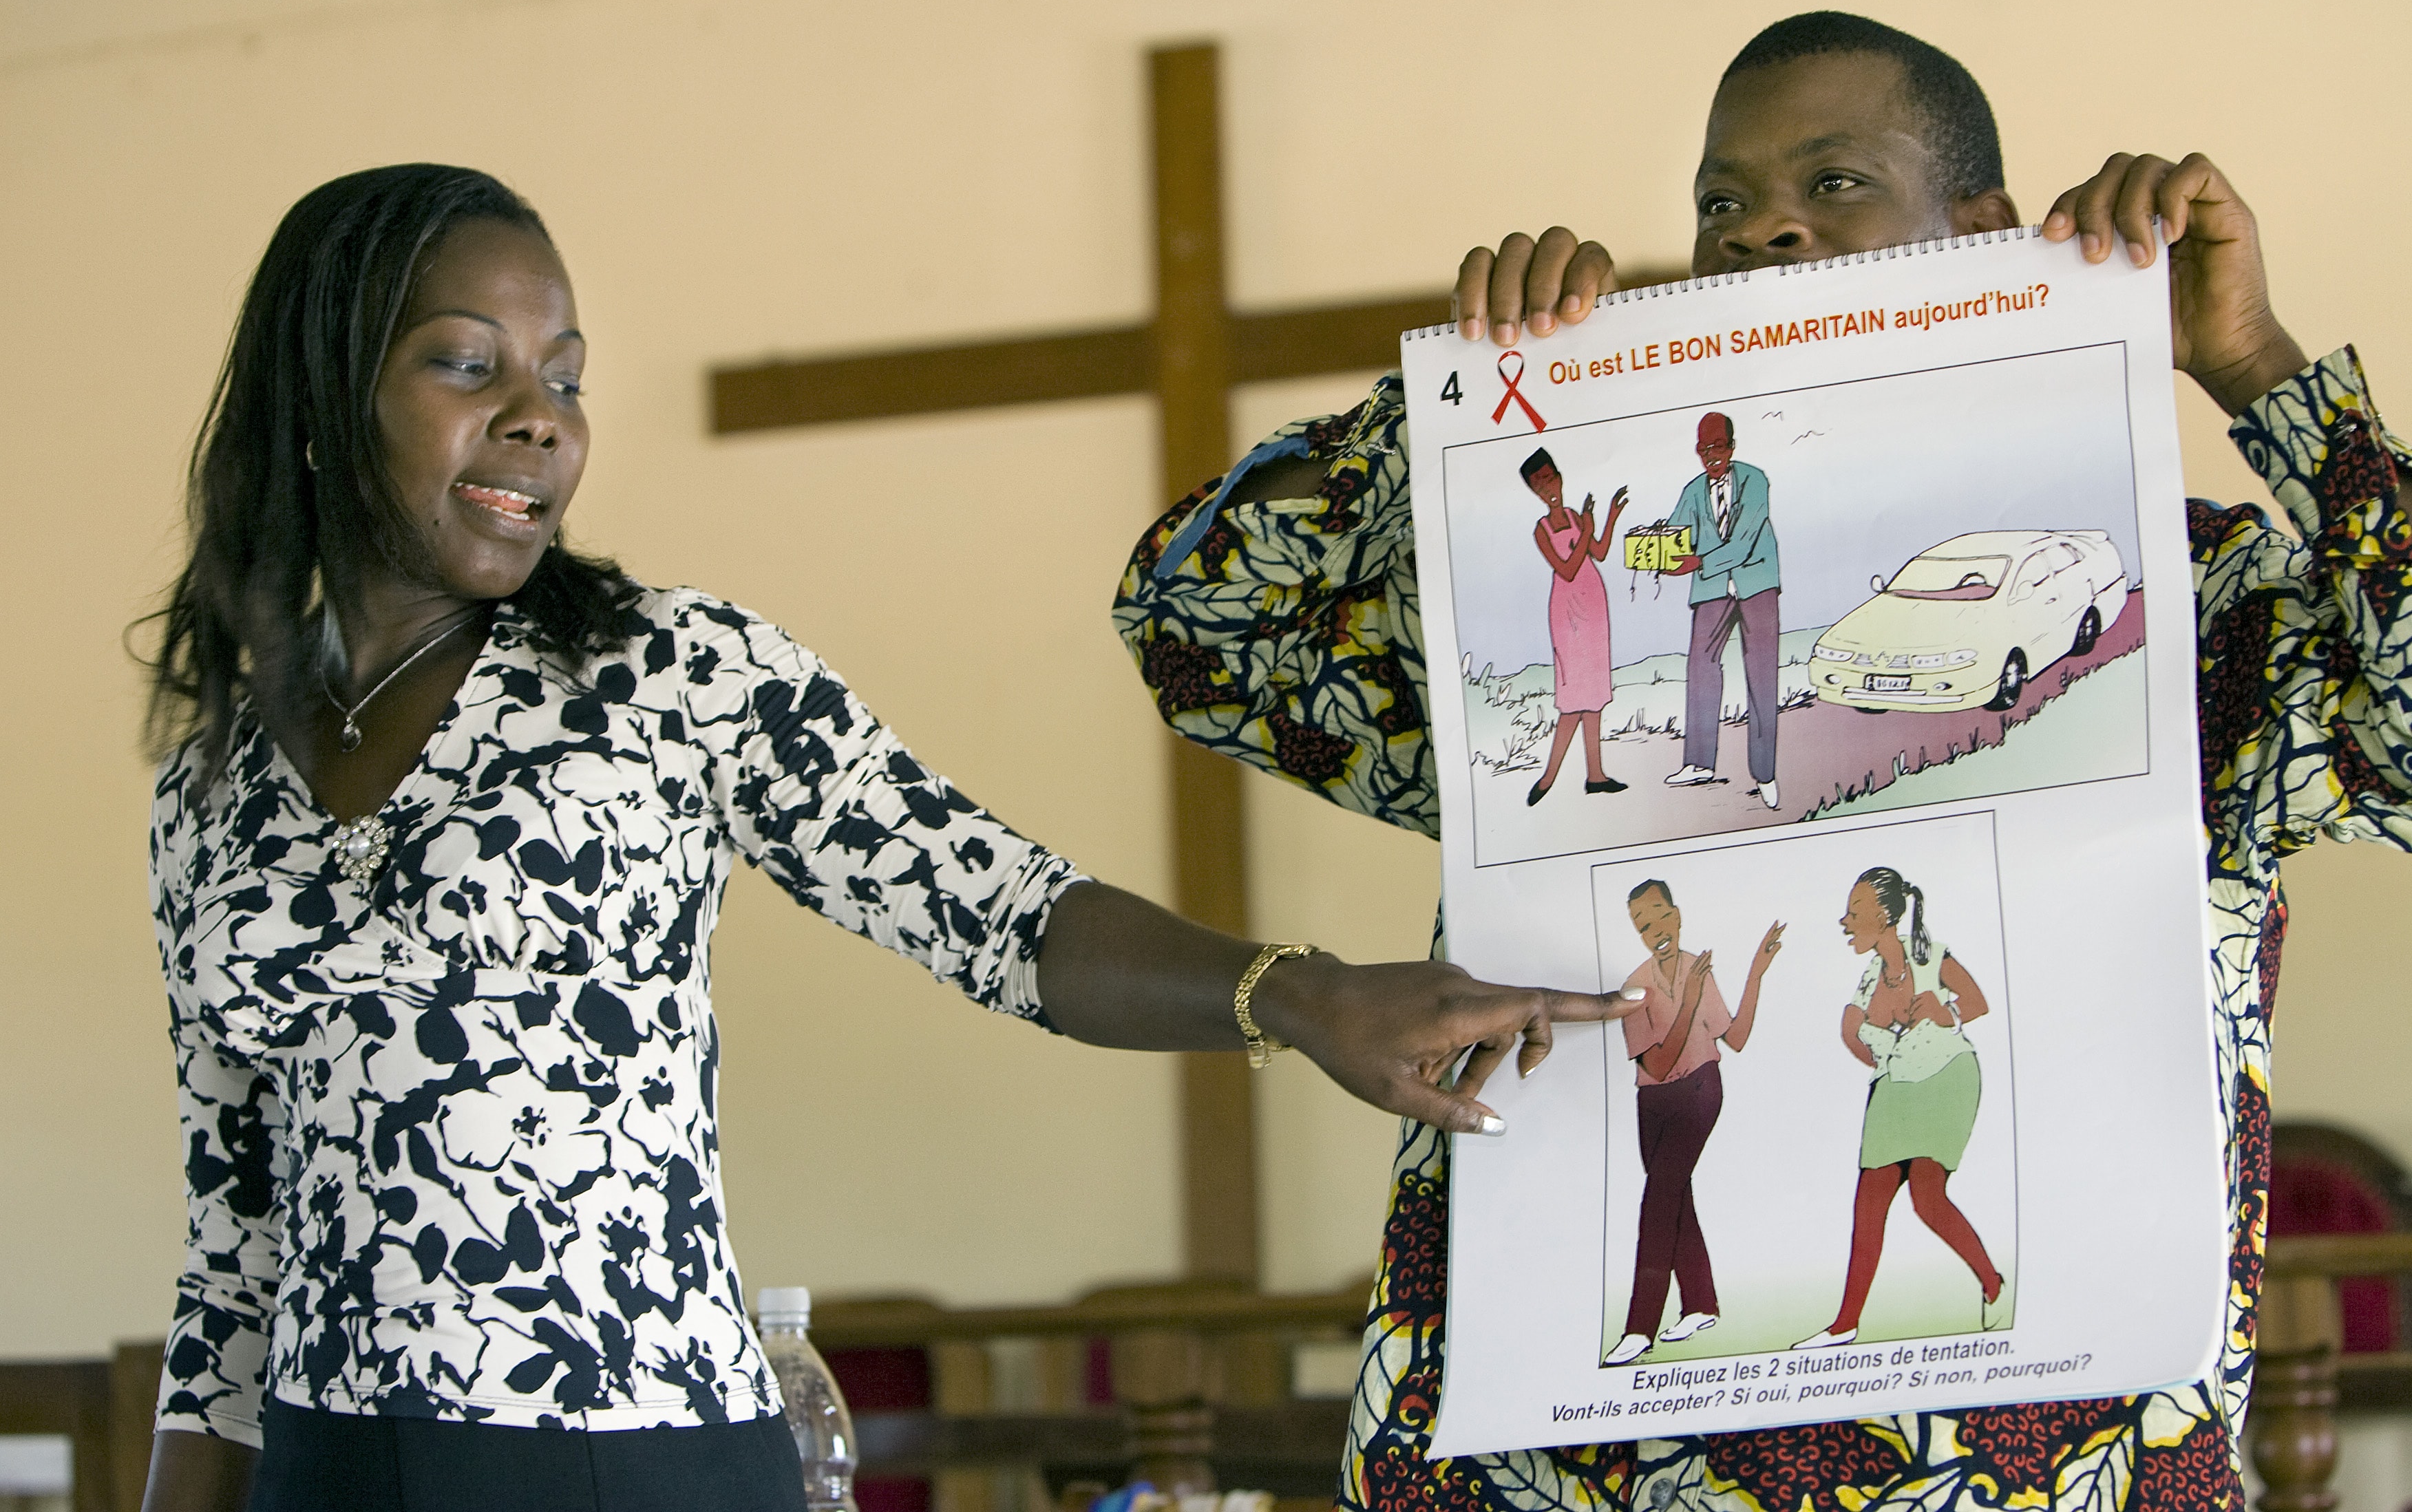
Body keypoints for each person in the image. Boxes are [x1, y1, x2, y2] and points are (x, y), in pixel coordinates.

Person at [136, 164, 1642, 1512]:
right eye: (469, 365)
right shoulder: (211, 784)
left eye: (568, 378)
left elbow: (995, 909)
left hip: (628, 1455)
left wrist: (1305, 995)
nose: (541, 416)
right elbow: (233, 1250)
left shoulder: (670, 672)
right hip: (326, 1467)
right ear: (324, 393)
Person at [1112, 10, 2412, 1509]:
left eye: (1836, 182)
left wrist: (2256, 364)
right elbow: (1198, 633)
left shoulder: (2184, 609)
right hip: (1575, 1449)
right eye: (1720, 203)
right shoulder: (1563, 623)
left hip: (2029, 1457)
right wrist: (1470, 410)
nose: (1763, 229)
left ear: (1980, 232)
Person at [1794, 869, 2002, 1351]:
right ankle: (1845, 1324)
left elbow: (1977, 1002)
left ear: (1885, 915)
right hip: (1894, 1086)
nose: (1845, 922)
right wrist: (1872, 1042)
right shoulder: (1869, 977)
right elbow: (1852, 1032)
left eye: (1856, 912)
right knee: (1868, 1206)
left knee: (1927, 1198)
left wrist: (1941, 1012)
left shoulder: (1929, 958)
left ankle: (1991, 1281)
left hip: (1947, 1075)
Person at [1606, 883, 1782, 1367]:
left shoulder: (1698, 971)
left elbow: (1737, 1037)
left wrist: (1756, 973)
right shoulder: (1635, 987)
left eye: (1660, 918)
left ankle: (1639, 1329)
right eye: (1643, 926)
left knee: (1659, 1200)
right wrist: (1688, 1001)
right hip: (1652, 1102)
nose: (1655, 932)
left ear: (1677, 915)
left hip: (1701, 1090)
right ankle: (1701, 1305)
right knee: (1676, 1197)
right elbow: (1656, 1066)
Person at [1659, 412, 1783, 809]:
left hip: (1757, 583)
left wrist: (1695, 562)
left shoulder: (1756, 480)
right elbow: (1676, 534)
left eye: (1718, 447)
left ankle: (1764, 773)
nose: (1710, 456)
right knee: (1700, 666)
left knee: (1761, 675)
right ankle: (1698, 762)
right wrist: (1660, 551)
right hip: (1712, 590)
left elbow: (1744, 543)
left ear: (1732, 445)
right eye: (1703, 449)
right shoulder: (1693, 491)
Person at [1519, 447, 1629, 805]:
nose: (1548, 487)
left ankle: (1595, 776)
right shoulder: (1542, 529)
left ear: (1560, 477)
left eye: (1550, 477)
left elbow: (1598, 553)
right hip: (1567, 613)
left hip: (1594, 605)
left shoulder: (1575, 516)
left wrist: (1609, 518)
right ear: (1534, 491)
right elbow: (1566, 570)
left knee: (1594, 695)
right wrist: (1587, 530)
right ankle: (1548, 778)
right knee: (1573, 701)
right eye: (1539, 483)